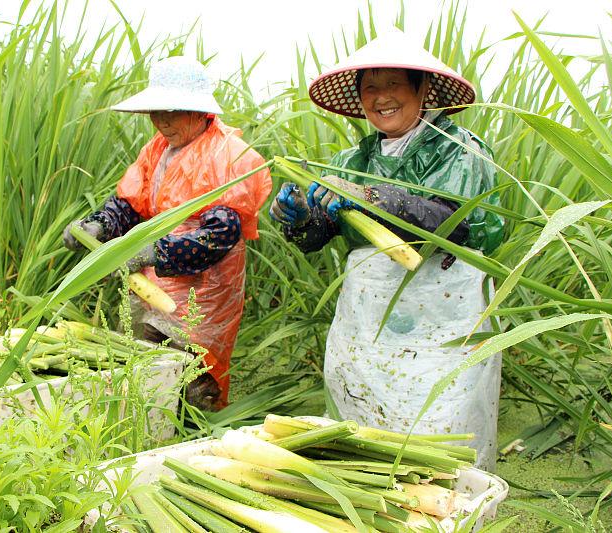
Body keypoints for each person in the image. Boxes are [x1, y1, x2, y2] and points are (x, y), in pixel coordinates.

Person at [270, 30, 505, 469]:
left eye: (393, 84)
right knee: (365, 428)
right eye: (370, 88)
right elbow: (325, 231)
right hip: (367, 320)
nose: (381, 98)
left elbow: (461, 222)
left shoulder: (461, 153)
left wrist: (376, 198)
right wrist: (302, 217)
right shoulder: (349, 162)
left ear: (421, 89)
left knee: (440, 429)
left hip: (443, 320)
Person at [64, 56, 272, 411]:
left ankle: (198, 437)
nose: (161, 121)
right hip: (153, 280)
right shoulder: (157, 149)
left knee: (191, 374)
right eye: (155, 111)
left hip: (204, 290)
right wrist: (98, 224)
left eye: (171, 111)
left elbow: (219, 236)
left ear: (198, 110)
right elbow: (131, 203)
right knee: (139, 361)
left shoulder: (230, 155)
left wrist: (153, 252)